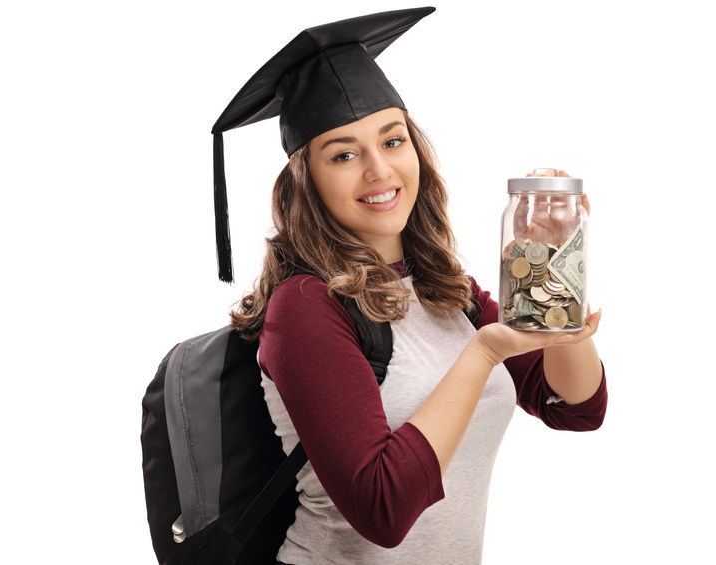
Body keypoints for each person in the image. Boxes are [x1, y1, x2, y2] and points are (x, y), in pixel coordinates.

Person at [215, 8, 607, 565]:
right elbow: (384, 510)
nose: (379, 171)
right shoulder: (305, 307)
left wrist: (556, 263)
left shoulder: (449, 291)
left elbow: (574, 406)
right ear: (307, 179)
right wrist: (483, 353)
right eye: (344, 155)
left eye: (392, 141)